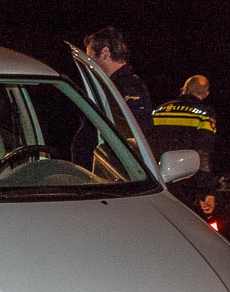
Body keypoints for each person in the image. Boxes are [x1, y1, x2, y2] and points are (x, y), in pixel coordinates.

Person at [71, 27, 153, 167]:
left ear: (105, 53)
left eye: (90, 57)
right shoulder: (108, 86)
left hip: (112, 170)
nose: (89, 64)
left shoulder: (128, 87)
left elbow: (135, 135)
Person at [152, 75, 217, 215]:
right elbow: (203, 153)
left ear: (184, 89)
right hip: (185, 182)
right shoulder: (204, 114)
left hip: (154, 179)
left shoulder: (160, 109)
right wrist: (207, 191)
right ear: (206, 94)